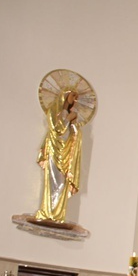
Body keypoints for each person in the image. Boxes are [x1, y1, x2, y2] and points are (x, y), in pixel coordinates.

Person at [35, 90, 82, 223]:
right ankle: (47, 211)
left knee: (62, 184)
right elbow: (58, 130)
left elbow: (74, 136)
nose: (74, 100)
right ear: (65, 98)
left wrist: (73, 125)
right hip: (54, 153)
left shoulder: (70, 114)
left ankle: (58, 214)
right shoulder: (56, 114)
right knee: (53, 183)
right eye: (72, 97)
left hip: (65, 155)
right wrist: (68, 118)